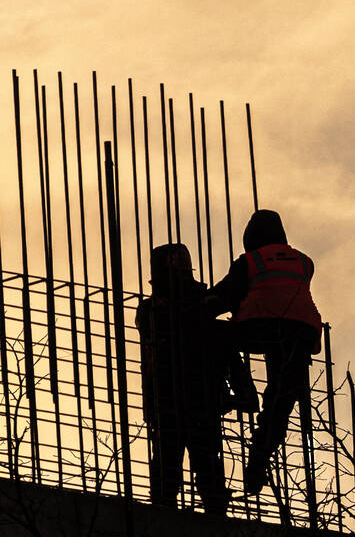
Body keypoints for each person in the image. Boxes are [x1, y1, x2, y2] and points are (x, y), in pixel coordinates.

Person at [208, 209, 323, 495]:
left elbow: (225, 297)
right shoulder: (305, 261)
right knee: (279, 403)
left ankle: (240, 392)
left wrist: (194, 306)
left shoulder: (249, 261)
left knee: (217, 336)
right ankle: (258, 463)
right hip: (300, 334)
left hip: (261, 326)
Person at [136, 243, 252, 516]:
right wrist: (242, 391)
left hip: (174, 400)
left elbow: (224, 348)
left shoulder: (156, 310)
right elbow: (226, 349)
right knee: (198, 469)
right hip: (196, 399)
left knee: (175, 471)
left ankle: (174, 515)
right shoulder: (192, 309)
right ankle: (207, 515)